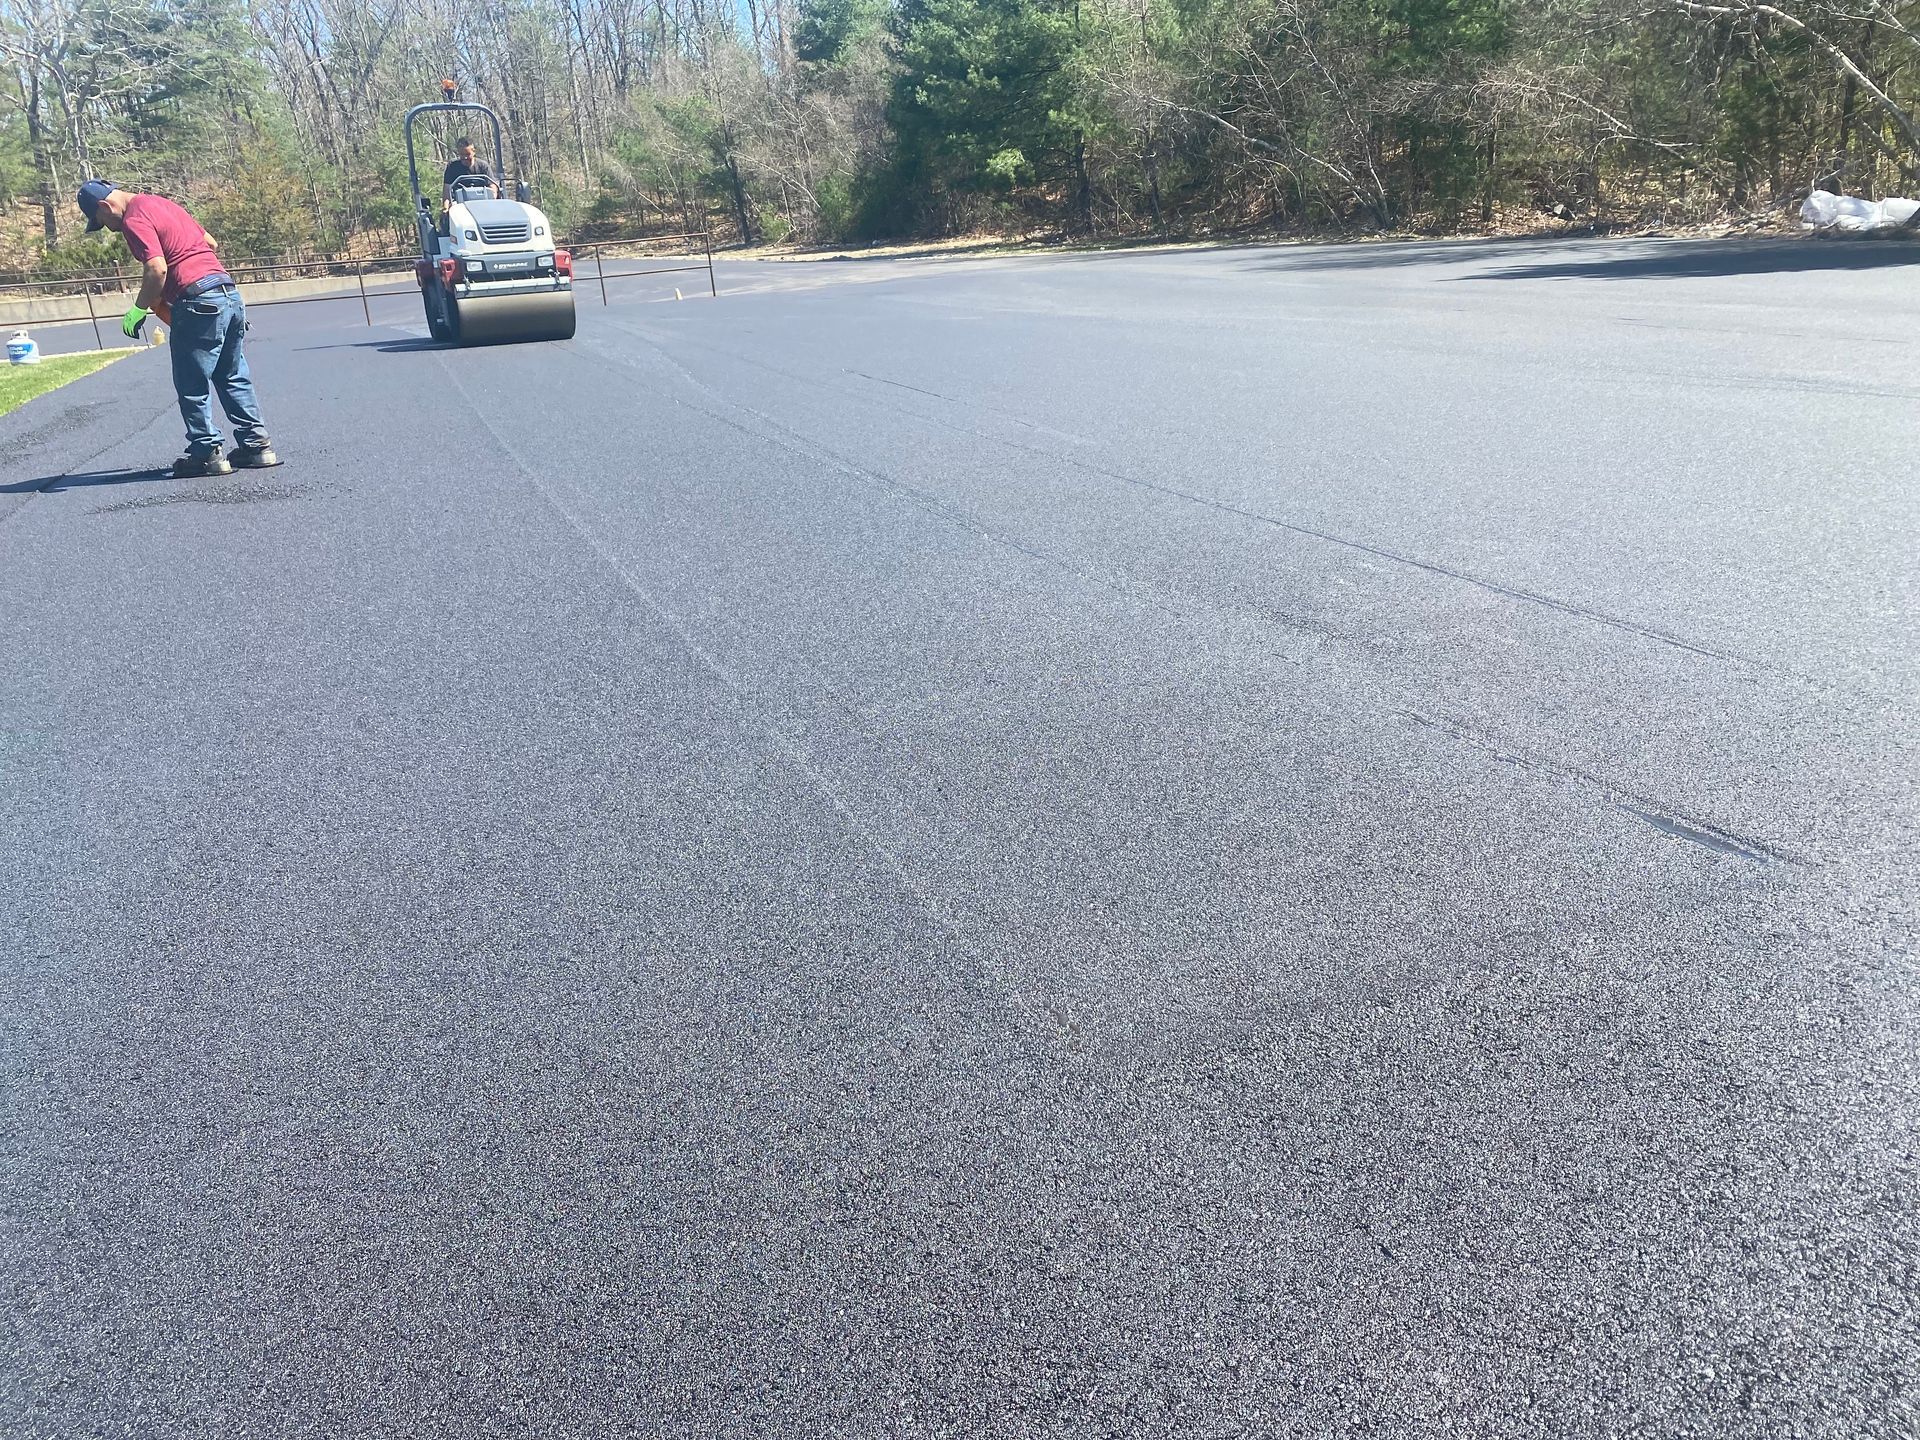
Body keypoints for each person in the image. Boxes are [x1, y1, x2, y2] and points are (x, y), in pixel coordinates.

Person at [76, 179, 278, 478]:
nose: (107, 228)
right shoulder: (163, 203)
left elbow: (156, 268)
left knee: (191, 382)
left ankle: (206, 452)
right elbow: (210, 243)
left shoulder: (134, 217)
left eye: (101, 221)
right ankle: (257, 447)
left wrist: (138, 309)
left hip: (197, 298)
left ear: (105, 206)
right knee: (232, 374)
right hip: (228, 294)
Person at [442, 137, 499, 208]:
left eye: (467, 154)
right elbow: (447, 190)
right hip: (460, 205)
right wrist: (445, 207)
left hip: (483, 204)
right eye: (462, 154)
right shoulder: (452, 167)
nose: (465, 157)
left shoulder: (483, 166)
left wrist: (492, 200)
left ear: (474, 152)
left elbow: (492, 188)